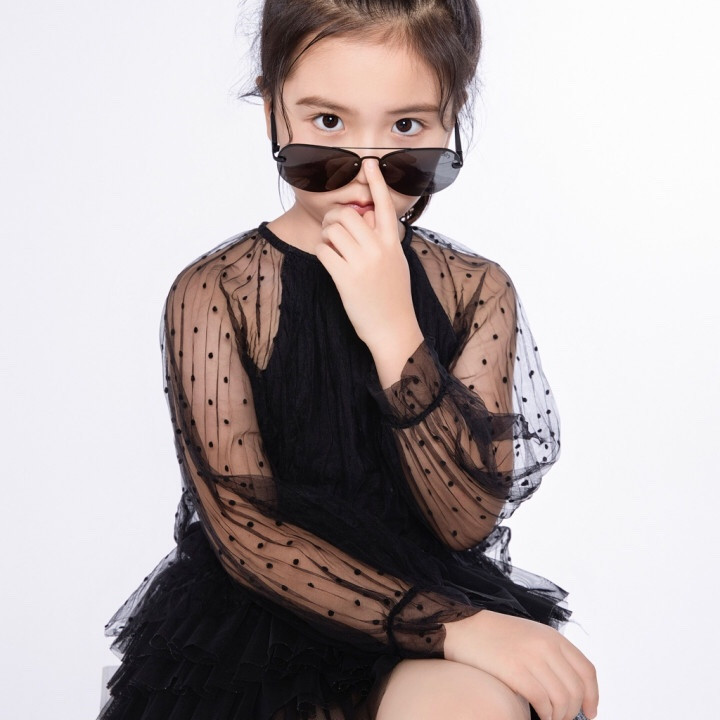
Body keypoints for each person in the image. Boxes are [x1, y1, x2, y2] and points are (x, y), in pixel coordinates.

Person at [100, 2, 599, 719]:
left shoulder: (474, 289)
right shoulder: (219, 291)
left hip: (427, 615)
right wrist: (454, 625)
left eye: (407, 129)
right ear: (272, 111)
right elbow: (244, 527)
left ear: (452, 118)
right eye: (329, 123)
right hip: (262, 624)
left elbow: (463, 521)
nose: (366, 177)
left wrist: (394, 328)